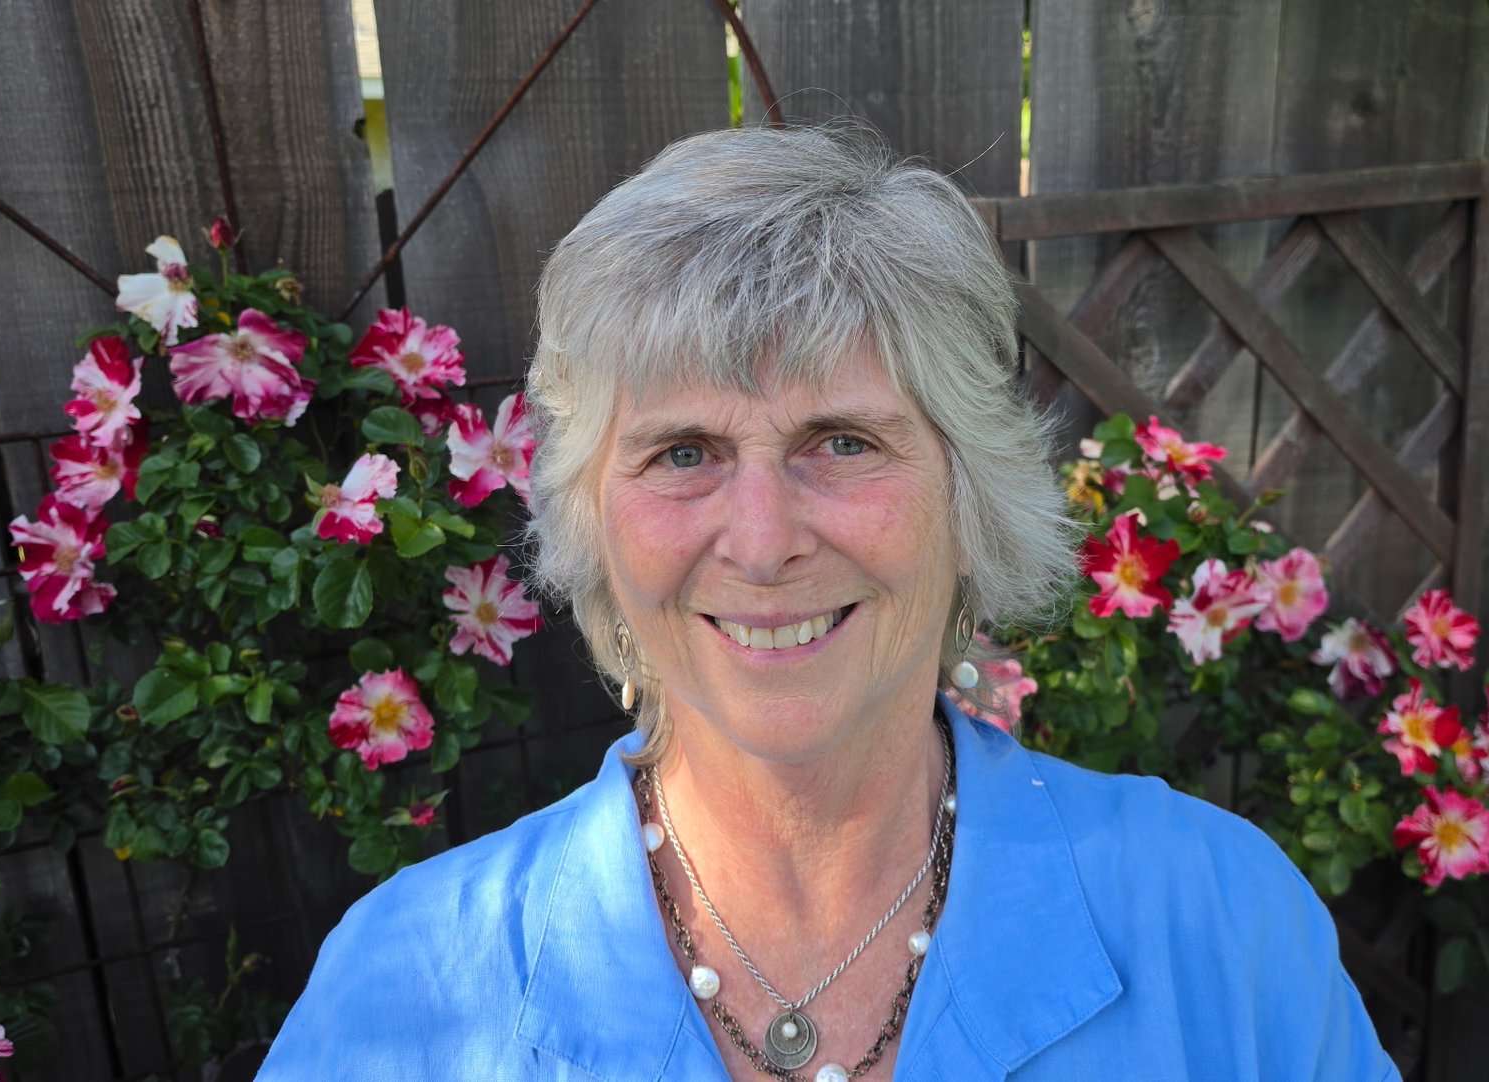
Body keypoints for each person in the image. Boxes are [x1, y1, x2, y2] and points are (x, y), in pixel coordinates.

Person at [256, 125, 1401, 1081]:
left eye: (842, 440)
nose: (761, 542)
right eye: (683, 450)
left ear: (968, 493)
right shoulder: (406, 987)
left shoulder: (1217, 920)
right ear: (594, 521)